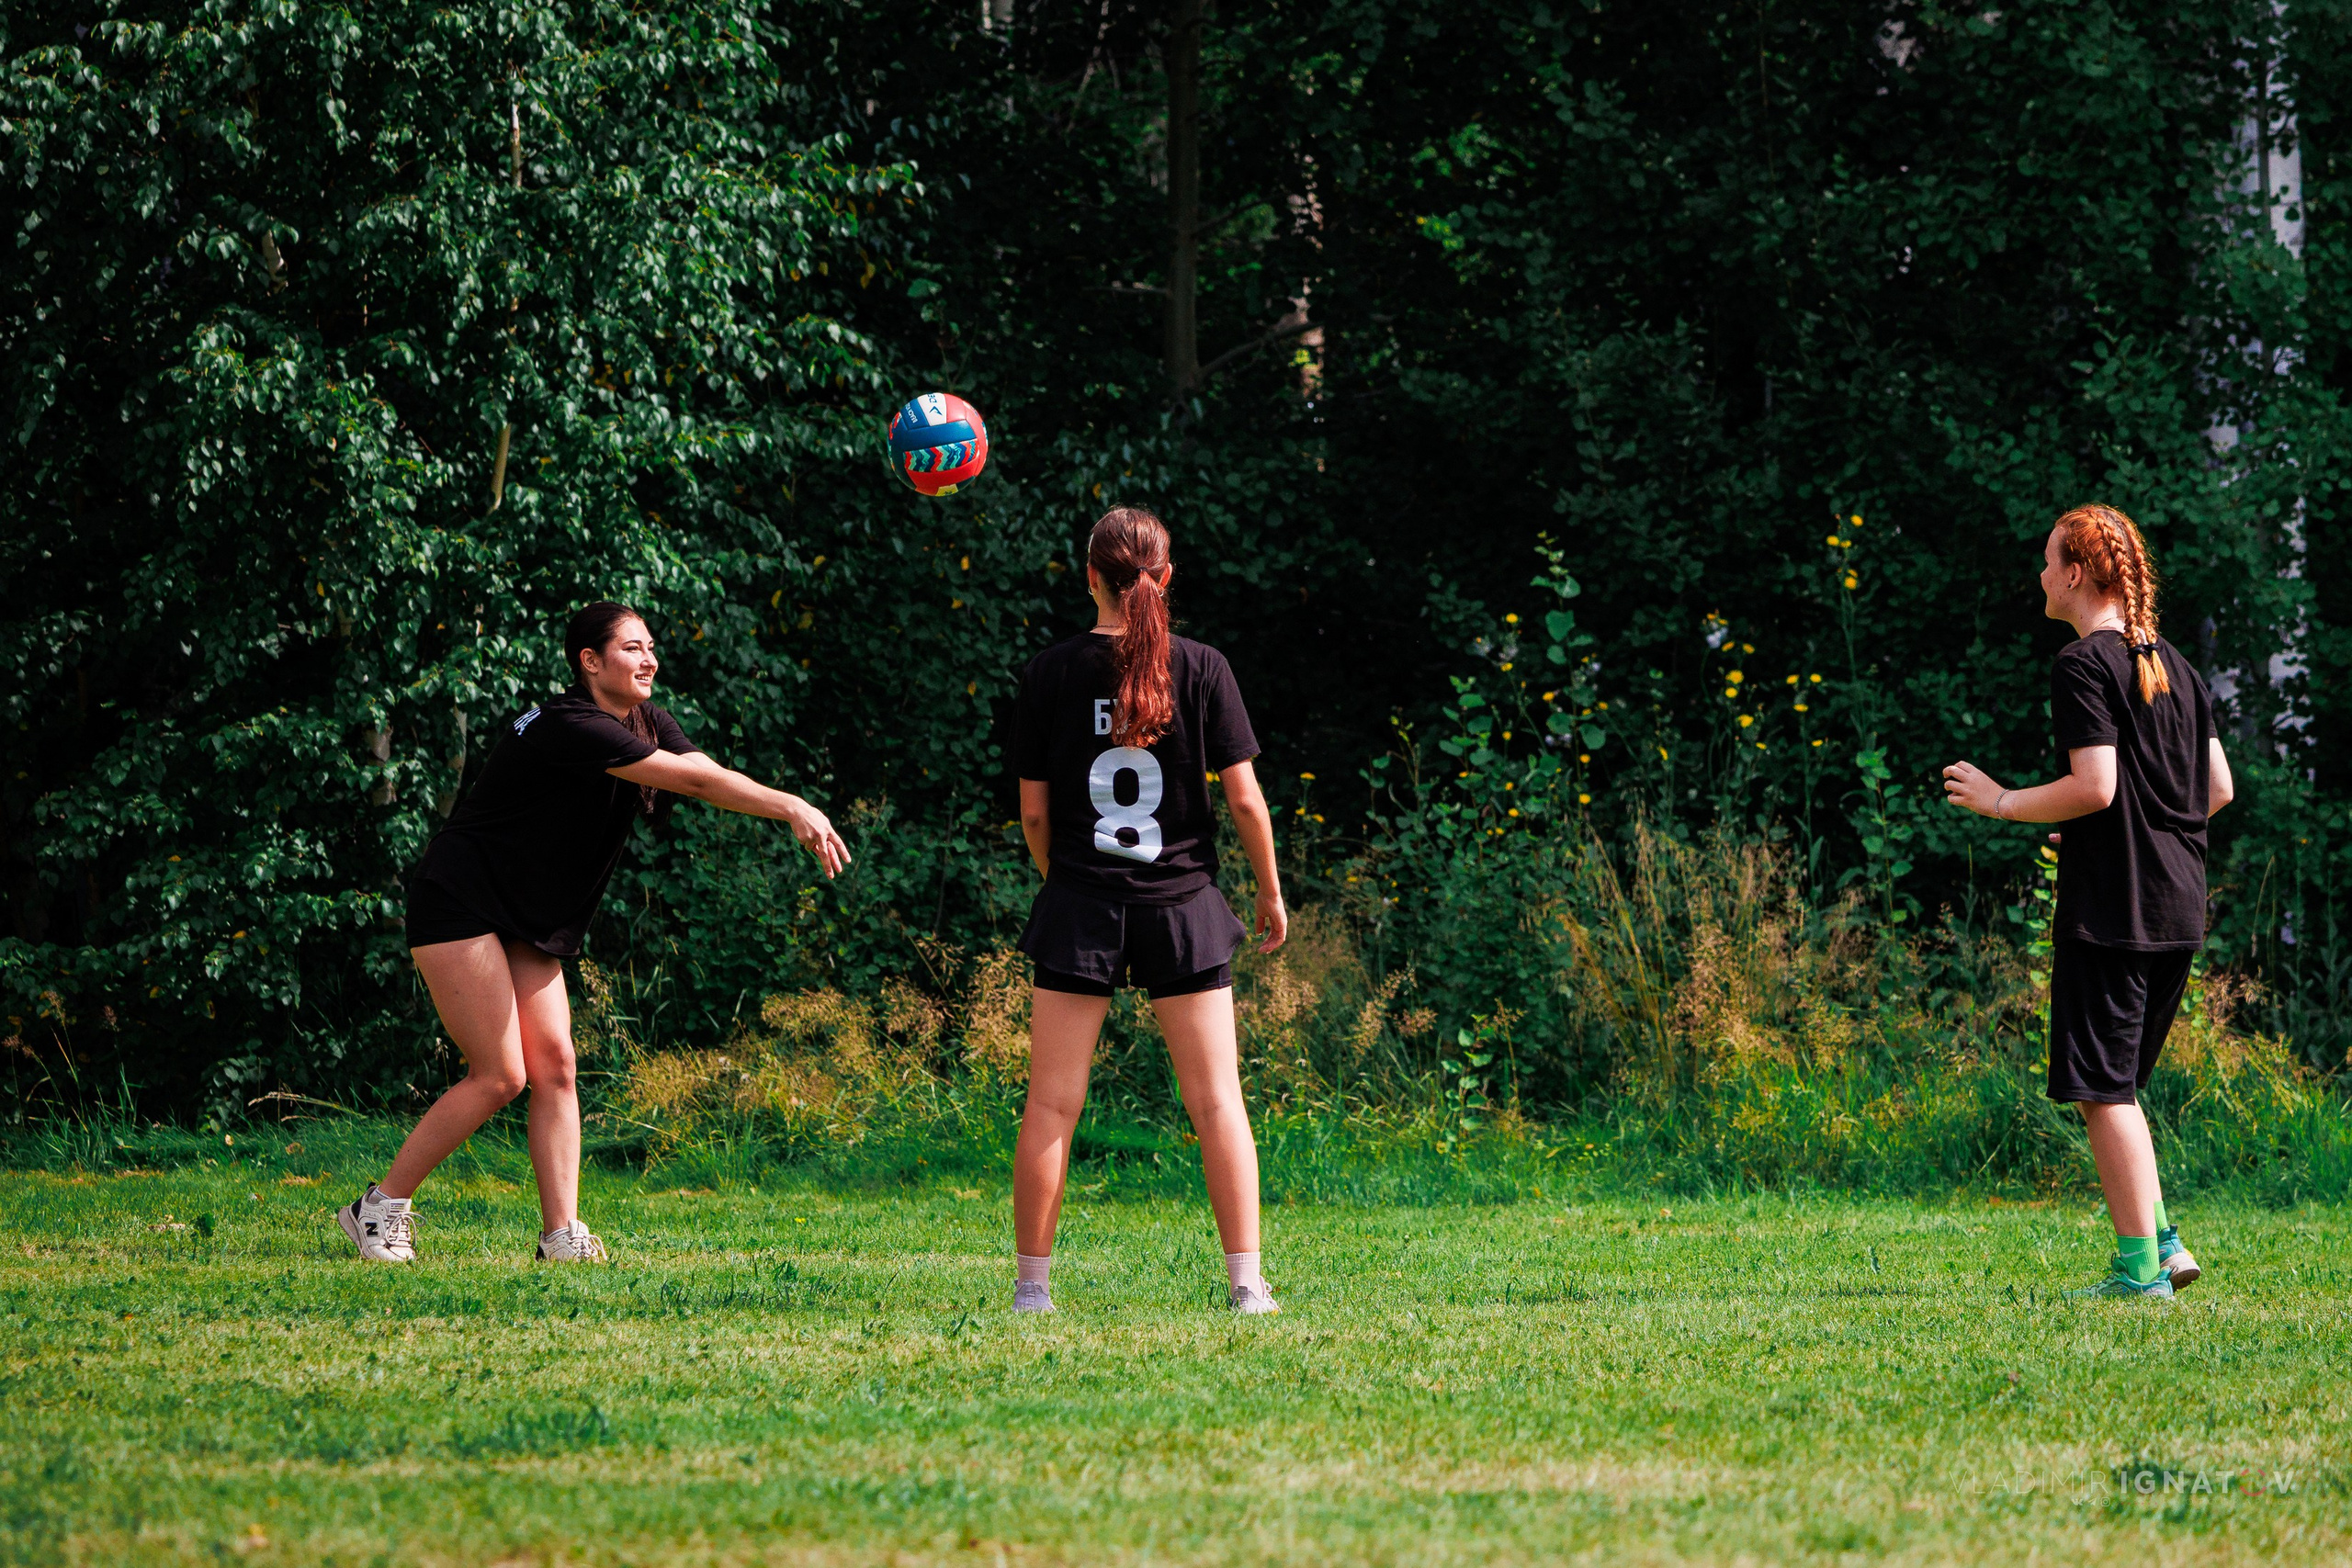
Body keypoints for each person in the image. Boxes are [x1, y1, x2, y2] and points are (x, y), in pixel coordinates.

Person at [340, 602, 851, 1264]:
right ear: (590, 661)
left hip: (525, 914)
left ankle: (561, 1235)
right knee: (500, 1074)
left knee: (556, 1065)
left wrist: (778, 803)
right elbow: (689, 778)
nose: (650, 660)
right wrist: (791, 805)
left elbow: (709, 777)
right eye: (633, 648)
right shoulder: (571, 725)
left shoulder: (644, 720)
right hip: (460, 900)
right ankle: (378, 1210)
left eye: (652, 647)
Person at [1943, 503, 2233, 1299]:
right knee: (2118, 1088)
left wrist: (2001, 800)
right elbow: (2216, 789)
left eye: (2046, 562)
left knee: (2101, 1089)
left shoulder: (2081, 666)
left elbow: (2096, 786)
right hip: (2177, 908)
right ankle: (2166, 1244)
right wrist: (2137, 833)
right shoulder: (2177, 665)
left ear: (2075, 573)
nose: (2039, 576)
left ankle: (2140, 1270)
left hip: (2115, 912)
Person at [1007, 507, 1288, 1314]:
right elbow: (1244, 799)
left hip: (1082, 902)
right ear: (1165, 578)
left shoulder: (1051, 671)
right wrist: (1268, 891)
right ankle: (1246, 1284)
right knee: (1217, 1102)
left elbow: (1033, 814)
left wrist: (1066, 878)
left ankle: (1033, 1291)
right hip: (1183, 905)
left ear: (1089, 575)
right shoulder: (1202, 666)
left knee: (1053, 1103)